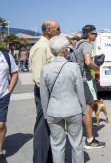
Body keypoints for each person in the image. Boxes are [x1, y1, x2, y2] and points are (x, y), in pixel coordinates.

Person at [40, 36, 86, 163]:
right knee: (76, 143)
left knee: (56, 144)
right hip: (73, 109)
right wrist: (84, 110)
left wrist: (45, 113)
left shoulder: (45, 69)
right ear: (65, 50)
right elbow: (80, 91)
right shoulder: (73, 67)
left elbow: (44, 95)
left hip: (53, 110)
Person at [29, 20, 61, 163]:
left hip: (51, 93)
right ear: (48, 30)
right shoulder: (41, 47)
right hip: (45, 94)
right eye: (57, 29)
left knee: (50, 129)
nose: (59, 32)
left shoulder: (49, 46)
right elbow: (38, 77)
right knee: (42, 130)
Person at [76, 25, 105, 149]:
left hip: (78, 79)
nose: (96, 36)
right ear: (88, 34)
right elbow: (88, 62)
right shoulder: (87, 44)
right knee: (88, 109)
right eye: (94, 33)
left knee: (82, 108)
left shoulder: (77, 44)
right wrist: (96, 67)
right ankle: (90, 140)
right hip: (86, 80)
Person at [0, 50, 18, 163]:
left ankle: (0, 150)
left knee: (1, 125)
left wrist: (9, 92)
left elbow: (14, 73)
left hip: (2, 96)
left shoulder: (6, 56)